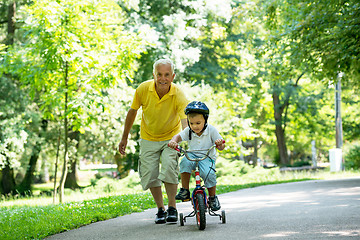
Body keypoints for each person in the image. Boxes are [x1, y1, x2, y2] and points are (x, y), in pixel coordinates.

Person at [118, 58, 188, 224]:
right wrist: (124, 137)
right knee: (149, 174)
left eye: (166, 75)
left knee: (170, 167)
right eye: (159, 74)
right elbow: (132, 112)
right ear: (154, 74)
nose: (162, 78)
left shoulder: (178, 93)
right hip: (148, 137)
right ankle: (160, 209)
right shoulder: (143, 89)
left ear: (173, 76)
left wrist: (185, 139)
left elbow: (185, 119)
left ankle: (172, 207)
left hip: (171, 137)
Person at [168, 101, 225, 211]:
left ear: (205, 120)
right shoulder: (188, 131)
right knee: (184, 162)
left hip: (207, 156)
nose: (195, 126)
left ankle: (212, 197)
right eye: (192, 123)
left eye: (198, 123)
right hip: (192, 154)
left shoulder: (211, 130)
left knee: (209, 174)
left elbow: (221, 146)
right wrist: (173, 141)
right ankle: (185, 190)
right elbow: (177, 137)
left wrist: (219, 144)